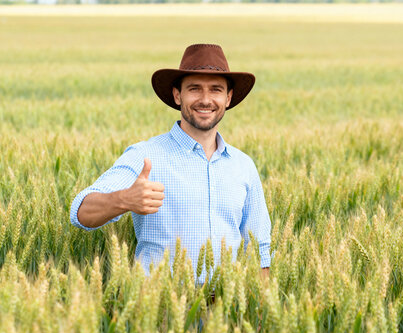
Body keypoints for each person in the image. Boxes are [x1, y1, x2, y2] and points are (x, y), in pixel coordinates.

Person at [70, 44, 271, 282]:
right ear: (178, 95)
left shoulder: (243, 165)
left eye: (215, 90)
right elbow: (80, 212)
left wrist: (258, 312)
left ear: (228, 98)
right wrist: (124, 199)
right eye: (194, 89)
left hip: (227, 309)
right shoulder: (145, 155)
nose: (205, 100)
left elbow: (259, 249)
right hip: (161, 307)